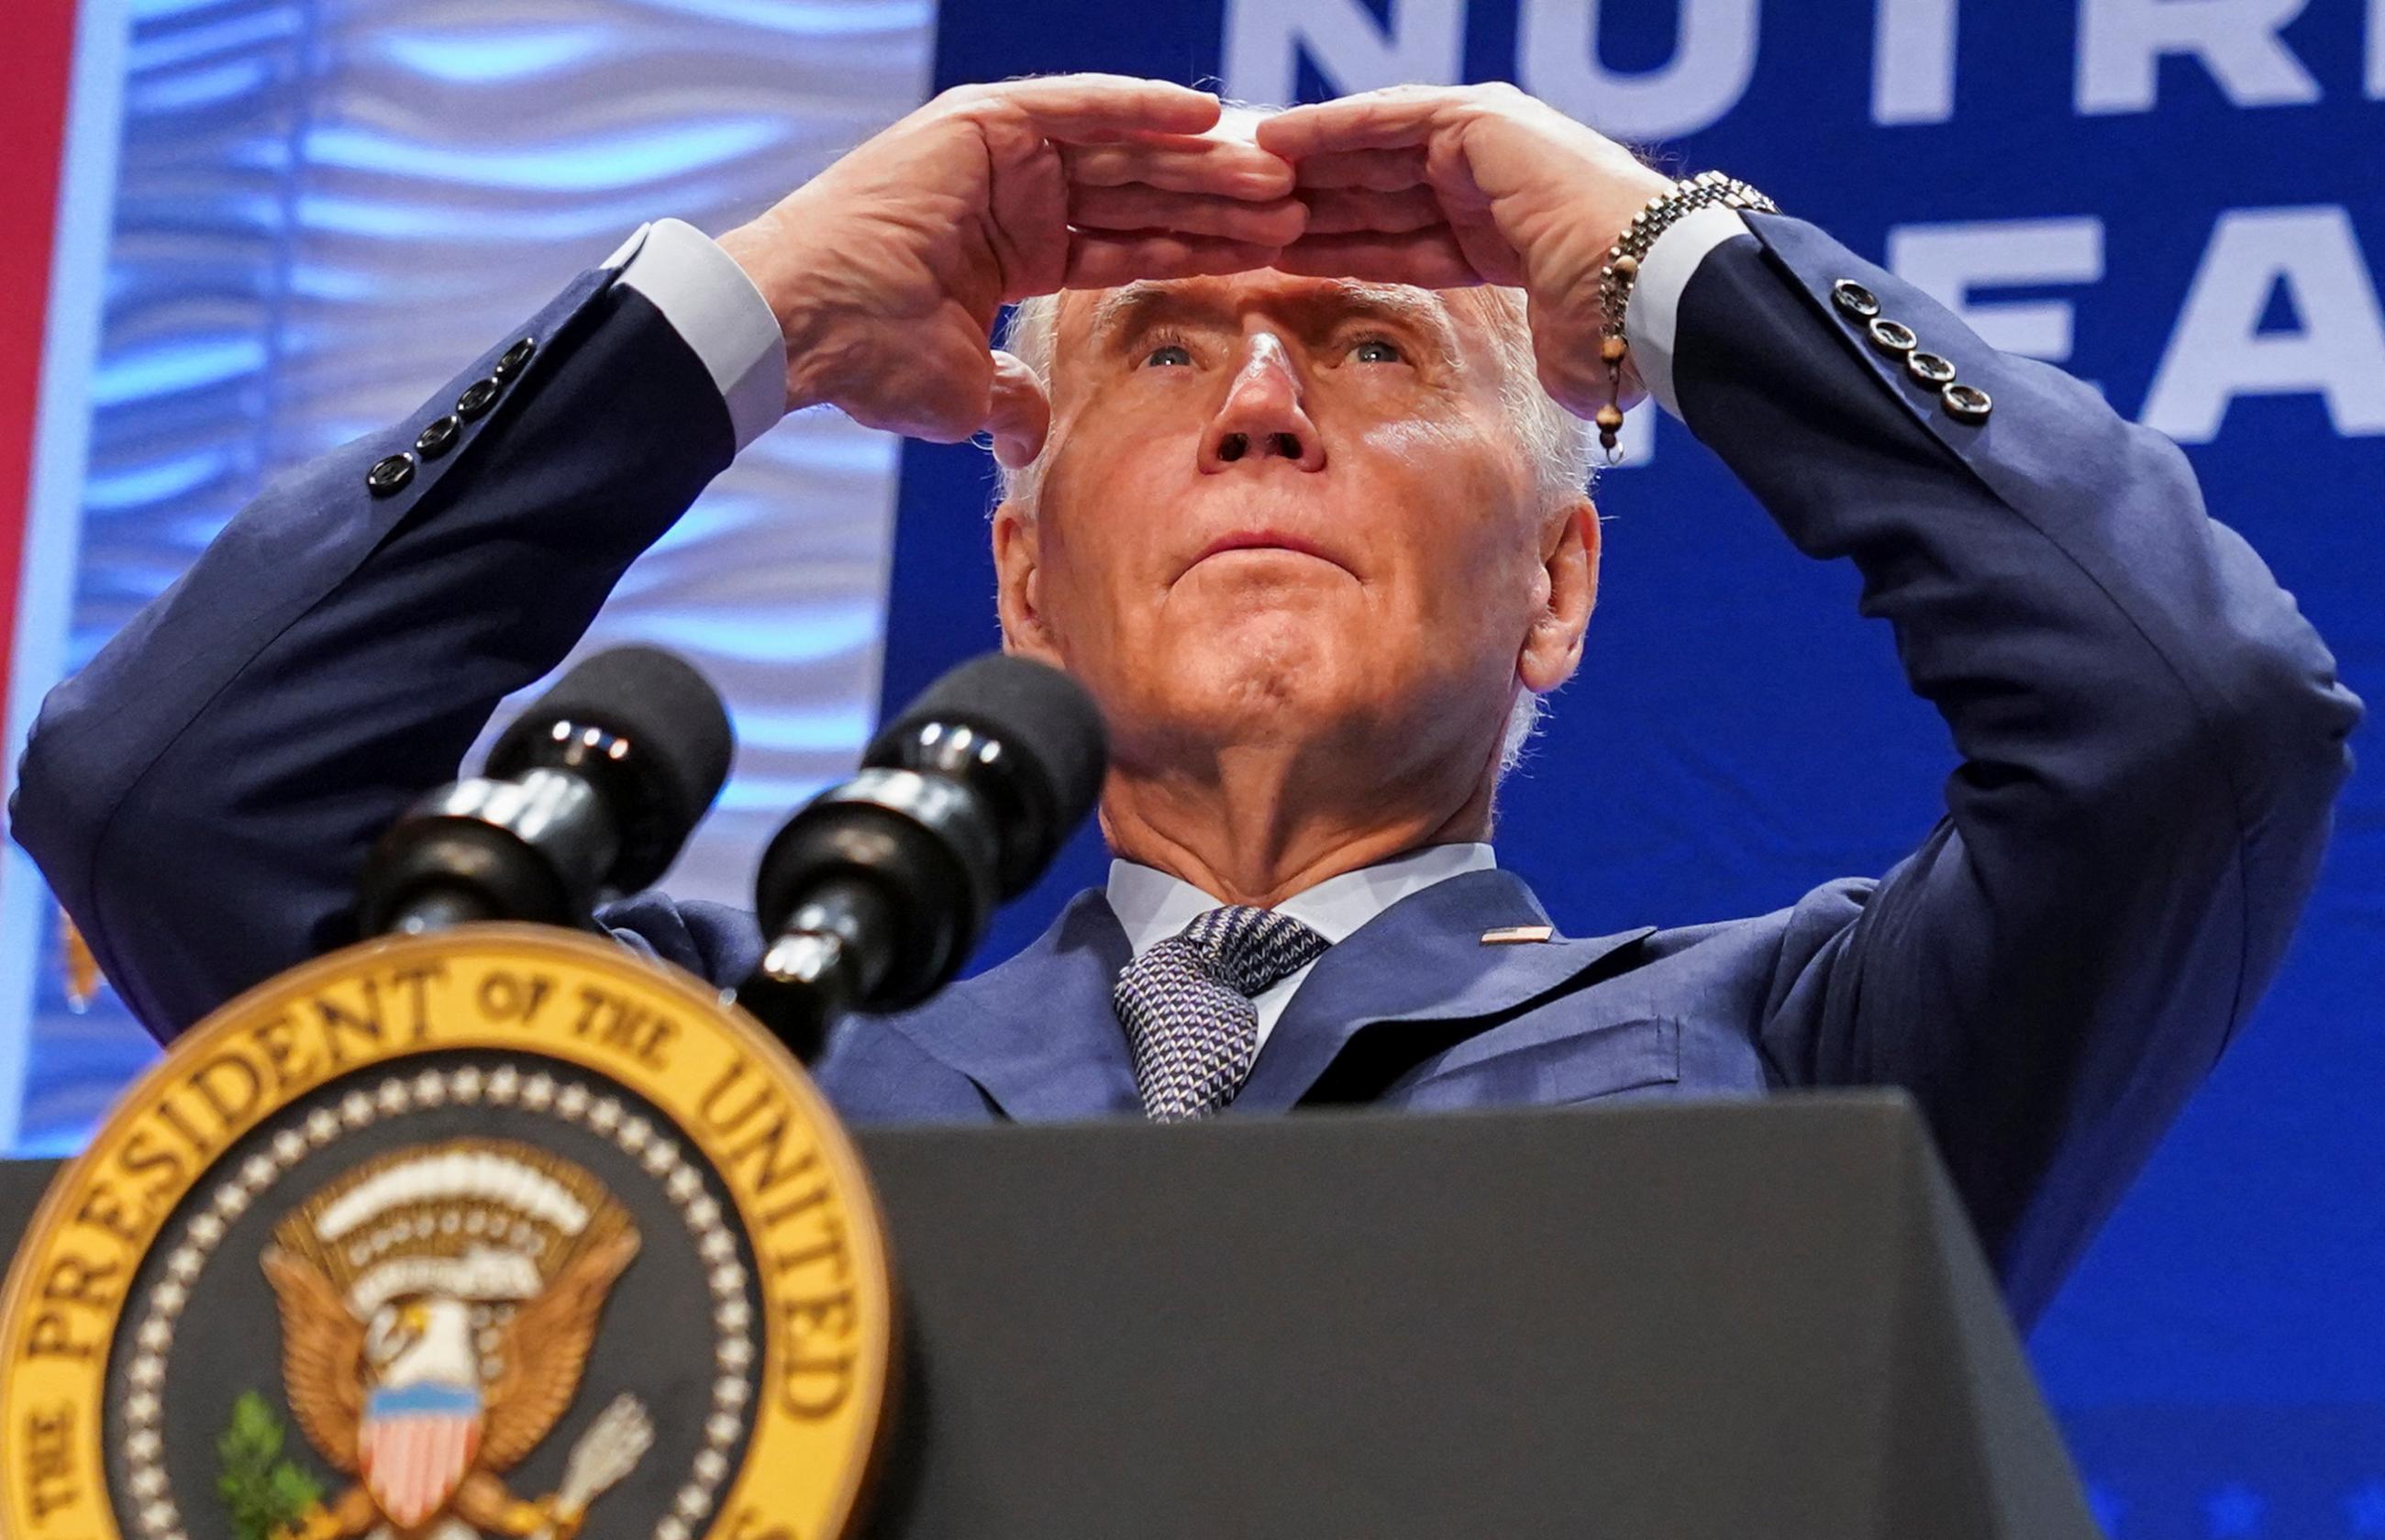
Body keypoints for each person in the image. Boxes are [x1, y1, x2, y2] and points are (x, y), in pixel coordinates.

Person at [10, 77, 2358, 1324]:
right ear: (1023, 579)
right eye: (1163, 347)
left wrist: (1668, 261)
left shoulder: (1810, 1068)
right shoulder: (720, 1083)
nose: (1258, 405)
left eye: (1365, 347)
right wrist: (742, 324)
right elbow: (179, 789)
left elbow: (2189, 713)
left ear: (1557, 589)